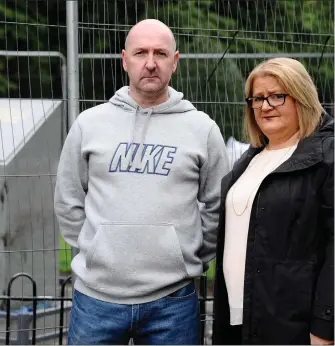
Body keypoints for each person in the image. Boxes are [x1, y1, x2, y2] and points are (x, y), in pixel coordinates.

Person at [54, 19, 229, 345]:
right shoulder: (89, 125)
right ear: (125, 59)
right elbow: (68, 198)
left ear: (174, 62)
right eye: (141, 53)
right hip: (96, 299)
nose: (150, 62)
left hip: (173, 302)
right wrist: (95, 251)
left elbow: (219, 203)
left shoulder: (201, 130)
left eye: (160, 53)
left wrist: (186, 253)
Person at [212, 57, 334, 345]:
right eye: (257, 98)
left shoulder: (326, 157)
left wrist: (325, 324)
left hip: (293, 324)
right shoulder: (249, 159)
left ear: (301, 97)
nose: (265, 106)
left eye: (277, 96)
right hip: (239, 316)